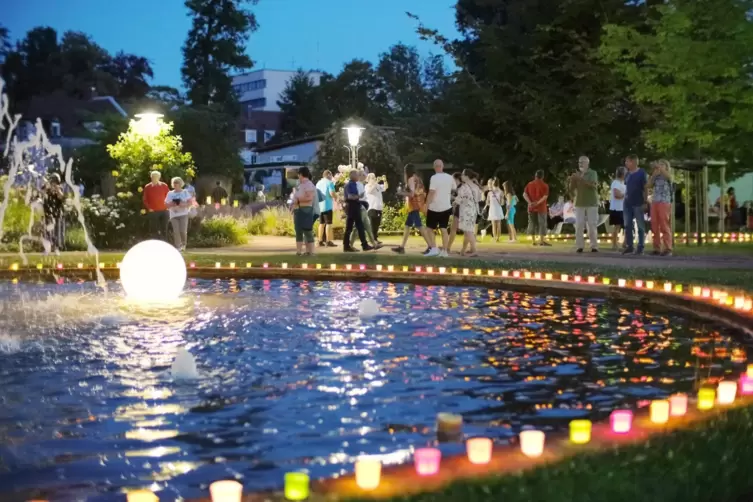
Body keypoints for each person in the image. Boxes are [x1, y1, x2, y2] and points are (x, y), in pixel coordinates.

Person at [392, 166, 429, 254]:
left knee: (419, 225)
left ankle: (431, 246)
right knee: (407, 225)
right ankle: (402, 247)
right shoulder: (417, 179)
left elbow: (412, 194)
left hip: (413, 205)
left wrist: (401, 193)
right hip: (416, 204)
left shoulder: (411, 180)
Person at [424, 159, 456, 257]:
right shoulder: (450, 177)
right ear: (442, 166)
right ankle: (444, 251)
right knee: (443, 229)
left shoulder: (434, 178)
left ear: (435, 167)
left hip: (434, 207)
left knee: (429, 229)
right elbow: (454, 188)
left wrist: (426, 205)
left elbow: (432, 192)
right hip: (446, 206)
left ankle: (434, 248)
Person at [568, 155, 599, 253]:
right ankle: (579, 246)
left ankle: (594, 246)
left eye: (582, 162)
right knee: (579, 225)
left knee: (592, 224)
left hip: (591, 202)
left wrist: (580, 179)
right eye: (579, 162)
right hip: (579, 202)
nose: (580, 164)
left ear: (587, 163)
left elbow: (593, 185)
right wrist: (572, 180)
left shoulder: (592, 173)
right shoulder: (577, 174)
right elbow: (571, 190)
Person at [622, 154, 647, 255]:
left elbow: (645, 188)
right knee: (627, 225)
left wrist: (645, 202)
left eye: (627, 161)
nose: (626, 163)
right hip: (627, 202)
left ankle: (640, 246)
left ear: (633, 162)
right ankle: (630, 246)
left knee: (640, 225)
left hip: (638, 202)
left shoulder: (642, 173)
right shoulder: (627, 174)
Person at [344, 170, 374, 252]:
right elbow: (350, 196)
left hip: (350, 207)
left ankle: (346, 246)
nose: (358, 177)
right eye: (357, 175)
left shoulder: (347, 185)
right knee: (359, 226)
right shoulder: (352, 185)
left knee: (349, 227)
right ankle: (364, 245)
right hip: (354, 206)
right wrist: (359, 196)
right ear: (353, 176)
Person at [455, 169, 483, 256]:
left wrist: (454, 201)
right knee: (468, 230)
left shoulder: (464, 187)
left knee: (468, 231)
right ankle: (463, 250)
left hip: (466, 211)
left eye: (463, 175)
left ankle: (474, 250)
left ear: (467, 176)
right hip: (473, 210)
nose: (461, 176)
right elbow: (479, 199)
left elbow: (459, 199)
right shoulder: (476, 186)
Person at [349, 171, 380, 249]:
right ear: (359, 176)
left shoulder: (361, 184)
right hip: (359, 207)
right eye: (364, 175)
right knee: (357, 227)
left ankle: (374, 244)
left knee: (368, 226)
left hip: (362, 207)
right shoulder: (357, 185)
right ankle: (350, 244)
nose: (365, 177)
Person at [648, 159, 673, 256]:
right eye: (659, 164)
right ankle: (656, 248)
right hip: (655, 202)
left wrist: (661, 169)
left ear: (666, 167)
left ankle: (668, 248)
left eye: (663, 165)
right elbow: (648, 185)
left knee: (664, 225)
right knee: (654, 225)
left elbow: (668, 177)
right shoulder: (656, 175)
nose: (660, 166)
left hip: (664, 202)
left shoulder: (668, 175)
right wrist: (654, 174)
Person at [292, 167, 317, 256]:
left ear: (301, 174)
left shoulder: (309, 184)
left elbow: (309, 197)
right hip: (298, 209)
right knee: (298, 230)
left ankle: (312, 251)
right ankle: (298, 251)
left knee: (307, 230)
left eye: (299, 174)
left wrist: (298, 199)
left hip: (305, 209)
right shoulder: (300, 185)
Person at [165, 177, 194, 251]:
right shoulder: (170, 193)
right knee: (176, 231)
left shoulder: (185, 192)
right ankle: (178, 246)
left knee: (183, 231)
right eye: (174, 182)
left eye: (177, 182)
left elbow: (190, 202)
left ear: (180, 184)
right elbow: (166, 204)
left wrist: (183, 204)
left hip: (183, 214)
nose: (175, 184)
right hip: (173, 215)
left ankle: (184, 244)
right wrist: (172, 204)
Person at [523, 170, 550, 246]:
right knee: (542, 224)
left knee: (532, 223)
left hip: (531, 208)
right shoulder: (545, 185)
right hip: (541, 208)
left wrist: (530, 202)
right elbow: (545, 197)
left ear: (535, 176)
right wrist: (537, 203)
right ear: (542, 176)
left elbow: (524, 194)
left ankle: (533, 241)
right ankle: (541, 241)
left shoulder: (529, 184)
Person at [142, 170, 170, 240]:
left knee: (164, 228)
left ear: (159, 177)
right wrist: (149, 208)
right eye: (153, 177)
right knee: (154, 229)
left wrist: (168, 206)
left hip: (164, 210)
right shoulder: (147, 187)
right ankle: (155, 243)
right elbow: (145, 199)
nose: (154, 178)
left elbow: (169, 197)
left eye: (156, 177)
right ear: (151, 177)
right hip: (153, 211)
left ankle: (164, 243)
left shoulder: (164, 185)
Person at [42, 173, 65, 253]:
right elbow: (42, 194)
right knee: (47, 232)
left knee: (57, 232)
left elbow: (61, 197)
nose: (53, 183)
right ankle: (47, 248)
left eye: (55, 181)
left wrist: (57, 189)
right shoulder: (47, 188)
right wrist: (47, 187)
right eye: (52, 181)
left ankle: (56, 248)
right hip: (48, 213)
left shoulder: (60, 189)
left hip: (57, 214)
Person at [316, 170, 337, 247]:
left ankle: (320, 241)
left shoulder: (318, 183)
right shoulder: (329, 183)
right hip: (327, 206)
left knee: (321, 224)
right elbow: (332, 193)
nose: (331, 177)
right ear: (328, 175)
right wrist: (337, 198)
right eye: (331, 175)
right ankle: (328, 241)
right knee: (328, 223)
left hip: (319, 206)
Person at [365, 173, 387, 244]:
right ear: (368, 179)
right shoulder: (367, 186)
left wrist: (385, 181)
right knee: (372, 225)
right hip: (371, 207)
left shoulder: (377, 185)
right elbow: (370, 191)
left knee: (377, 225)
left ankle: (375, 239)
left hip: (378, 208)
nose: (374, 179)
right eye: (372, 178)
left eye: (374, 177)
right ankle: (372, 240)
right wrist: (375, 183)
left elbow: (385, 188)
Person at [609, 167, 627, 250]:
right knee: (617, 227)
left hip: (624, 208)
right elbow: (617, 195)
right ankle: (614, 244)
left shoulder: (623, 183)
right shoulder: (616, 183)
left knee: (627, 226)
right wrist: (626, 195)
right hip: (617, 208)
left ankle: (625, 243)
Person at [447, 172, 463, 253]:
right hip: (461, 209)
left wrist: (452, 197)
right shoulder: (460, 187)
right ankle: (448, 247)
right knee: (467, 231)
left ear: (456, 179)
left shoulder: (460, 188)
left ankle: (448, 247)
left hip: (460, 210)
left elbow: (460, 199)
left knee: (453, 229)